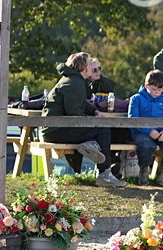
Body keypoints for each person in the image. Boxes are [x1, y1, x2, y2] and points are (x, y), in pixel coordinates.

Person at [41, 51, 126, 186]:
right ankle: (104, 174)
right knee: (103, 129)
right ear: (83, 68)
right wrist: (93, 120)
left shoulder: (74, 80)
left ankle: (91, 145)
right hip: (57, 131)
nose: (92, 67)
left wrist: (94, 111)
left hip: (56, 128)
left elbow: (81, 103)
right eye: (89, 64)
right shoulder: (74, 83)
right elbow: (74, 115)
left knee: (99, 128)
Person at [128, 70, 163, 186]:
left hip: (161, 132)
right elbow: (133, 119)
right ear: (146, 86)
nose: (156, 93)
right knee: (146, 144)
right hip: (141, 132)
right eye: (153, 89)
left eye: (160, 90)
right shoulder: (136, 99)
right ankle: (144, 169)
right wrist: (148, 131)